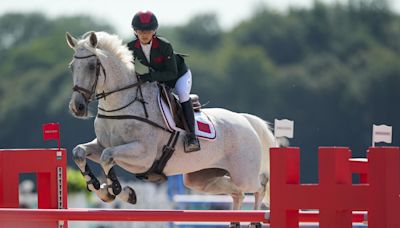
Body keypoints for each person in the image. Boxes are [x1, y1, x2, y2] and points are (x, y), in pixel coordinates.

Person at [127, 10, 200, 152]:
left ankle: (192, 136)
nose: (144, 34)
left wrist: (148, 77)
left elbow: (171, 73)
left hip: (179, 75)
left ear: (154, 30)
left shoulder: (164, 45)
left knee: (183, 94)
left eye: (148, 30)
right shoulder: (131, 47)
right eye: (140, 30)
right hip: (159, 77)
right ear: (135, 31)